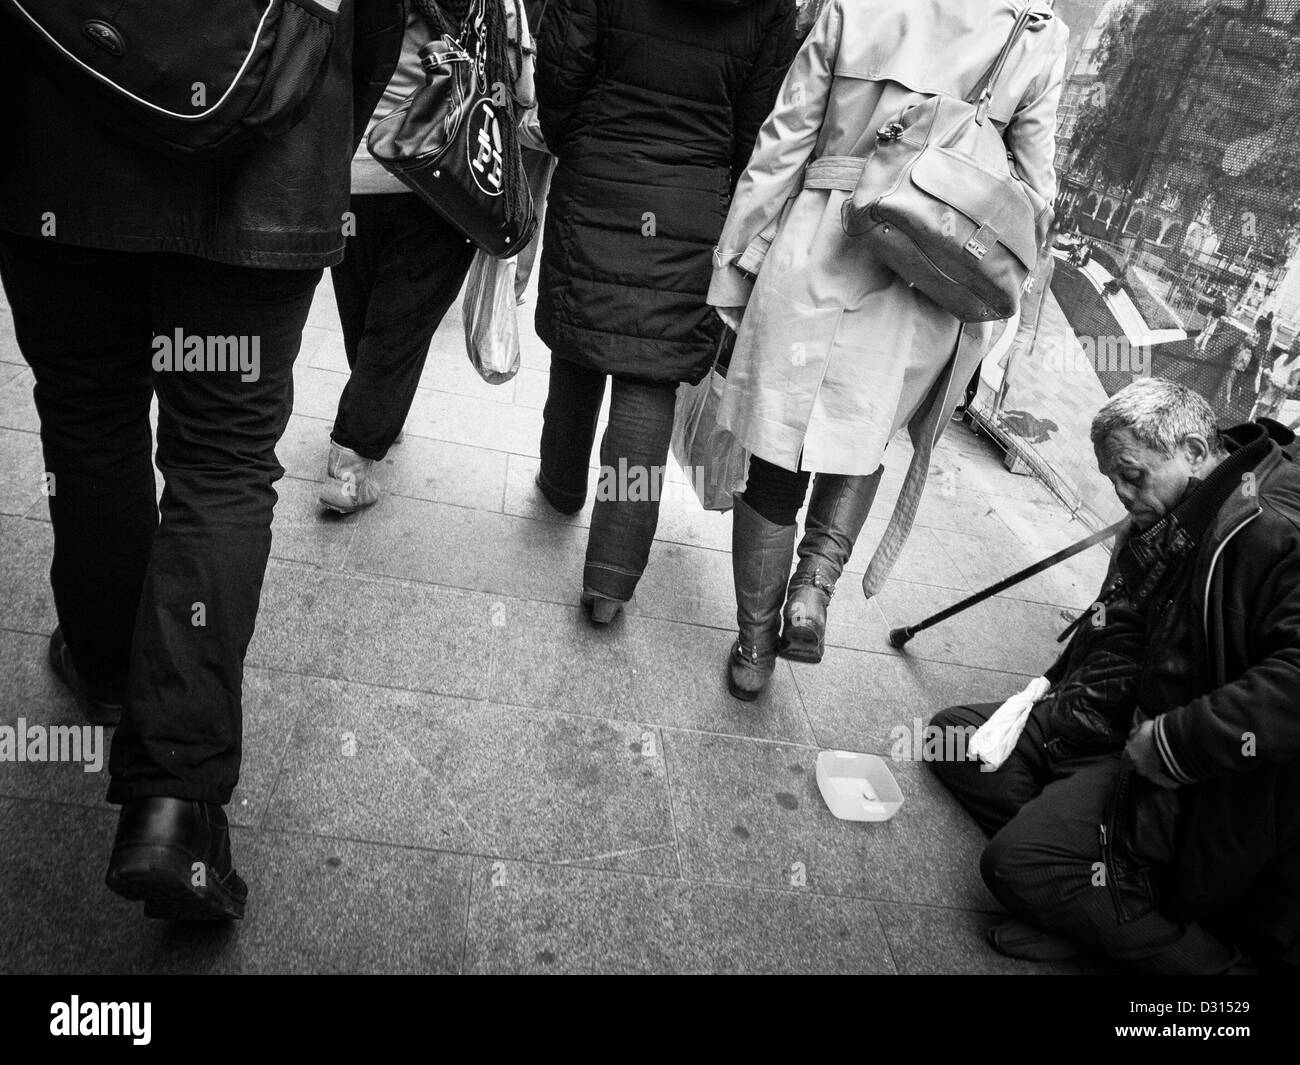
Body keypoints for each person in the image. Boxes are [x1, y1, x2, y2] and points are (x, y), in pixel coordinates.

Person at [0, 3, 405, 919]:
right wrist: (312, 96)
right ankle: (174, 803)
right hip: (260, 158)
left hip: (58, 143)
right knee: (221, 459)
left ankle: (105, 662)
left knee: (87, 420)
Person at [708, 0, 1069, 699]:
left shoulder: (856, 4)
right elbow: (1036, 196)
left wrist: (734, 258)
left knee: (779, 444)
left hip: (820, 240)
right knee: (864, 433)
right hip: (929, 272)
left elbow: (783, 140)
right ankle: (814, 589)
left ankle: (755, 643)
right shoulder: (1034, 33)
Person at [931, 379, 1300, 974]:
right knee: (952, 738)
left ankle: (1216, 967)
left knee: (1013, 866)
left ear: (1194, 450)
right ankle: (1084, 882)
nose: (1122, 493)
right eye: (1111, 479)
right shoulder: (1182, 509)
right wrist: (1056, 694)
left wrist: (1177, 742)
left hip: (1180, 760)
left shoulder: (1272, 524)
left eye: (1133, 476)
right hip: (1106, 721)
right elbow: (1126, 632)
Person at [532, 0, 798, 624]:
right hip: (693, 201)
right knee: (648, 376)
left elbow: (561, 67)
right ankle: (611, 581)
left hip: (600, 169)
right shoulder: (771, 8)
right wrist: (715, 184)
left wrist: (582, 139)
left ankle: (562, 482)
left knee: (584, 334)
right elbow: (759, 123)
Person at [320, 0, 533, 512]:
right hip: (442, 177)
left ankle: (369, 416)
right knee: (400, 327)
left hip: (353, 166)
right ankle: (351, 463)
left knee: (363, 309)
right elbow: (521, 91)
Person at [1249, 337, 1300, 423]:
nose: (1292, 344)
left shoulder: (1297, 363)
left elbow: (1292, 388)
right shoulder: (1283, 357)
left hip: (1274, 402)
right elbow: (1271, 373)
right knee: (1252, 421)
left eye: (1296, 343)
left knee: (1262, 425)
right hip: (1265, 396)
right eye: (1293, 341)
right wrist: (1266, 373)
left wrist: (1275, 382)